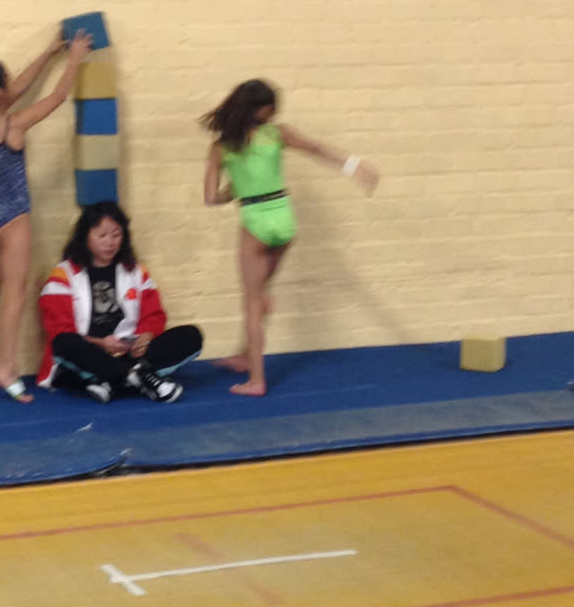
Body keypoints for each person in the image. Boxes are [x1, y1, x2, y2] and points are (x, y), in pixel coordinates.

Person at [201, 78, 378, 397]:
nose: (273, 115)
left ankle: (256, 380)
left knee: (253, 302)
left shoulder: (222, 147)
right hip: (284, 220)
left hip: (255, 221)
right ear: (262, 110)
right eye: (271, 110)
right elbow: (317, 148)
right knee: (261, 293)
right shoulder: (278, 133)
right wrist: (355, 167)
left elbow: (210, 198)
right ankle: (243, 354)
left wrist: (233, 190)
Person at [0, 29, 92, 401]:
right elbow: (57, 97)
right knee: (14, 294)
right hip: (13, 216)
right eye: (7, 80)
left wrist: (50, 52)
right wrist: (75, 58)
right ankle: (6, 369)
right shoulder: (13, 124)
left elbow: (17, 87)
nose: (13, 84)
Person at [37, 200, 202, 403]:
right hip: (90, 351)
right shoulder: (64, 274)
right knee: (64, 344)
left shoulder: (135, 271)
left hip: (128, 351)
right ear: (85, 236)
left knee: (190, 335)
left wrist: (145, 337)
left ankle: (115, 380)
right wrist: (101, 343)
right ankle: (139, 376)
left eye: (116, 235)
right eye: (102, 235)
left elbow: (154, 315)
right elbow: (60, 329)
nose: (110, 242)